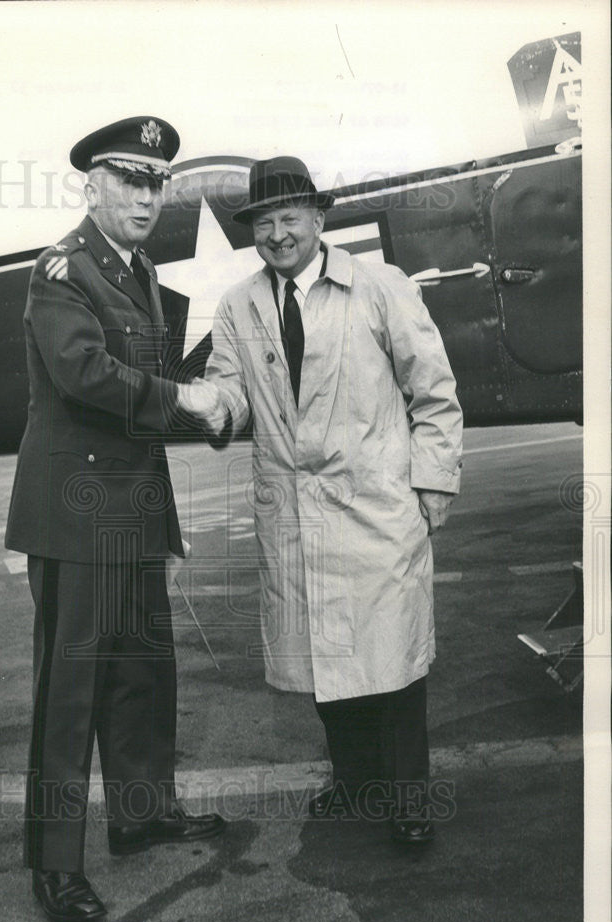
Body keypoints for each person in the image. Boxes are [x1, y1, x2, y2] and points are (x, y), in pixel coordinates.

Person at [197, 156, 463, 844]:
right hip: (292, 513)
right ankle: (356, 785)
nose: (278, 234)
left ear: (319, 219)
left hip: (374, 506)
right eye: (264, 222)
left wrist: (433, 479)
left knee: (394, 661)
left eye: (289, 218)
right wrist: (206, 405)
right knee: (325, 659)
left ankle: (408, 801)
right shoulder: (238, 306)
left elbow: (432, 390)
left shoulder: (378, 286)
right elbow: (229, 390)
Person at [5, 117, 225, 922]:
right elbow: (85, 376)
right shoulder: (61, 271)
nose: (144, 194)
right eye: (127, 179)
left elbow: (147, 400)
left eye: (155, 181)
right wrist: (183, 399)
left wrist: (207, 420)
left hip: (131, 513)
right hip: (75, 516)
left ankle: (140, 815)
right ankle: (54, 865)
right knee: (69, 696)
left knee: (141, 675)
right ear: (91, 187)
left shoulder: (137, 273)